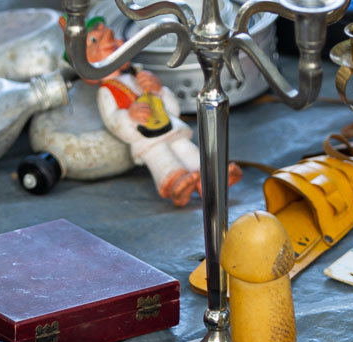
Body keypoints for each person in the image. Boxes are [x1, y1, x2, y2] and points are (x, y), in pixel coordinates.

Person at [82, 19, 241, 207]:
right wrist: (129, 115)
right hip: (146, 139)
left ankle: (212, 178)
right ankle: (177, 183)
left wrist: (158, 90)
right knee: (161, 157)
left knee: (187, 150)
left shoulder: (137, 77)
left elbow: (173, 110)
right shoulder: (106, 92)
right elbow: (112, 121)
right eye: (95, 41)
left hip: (169, 127)